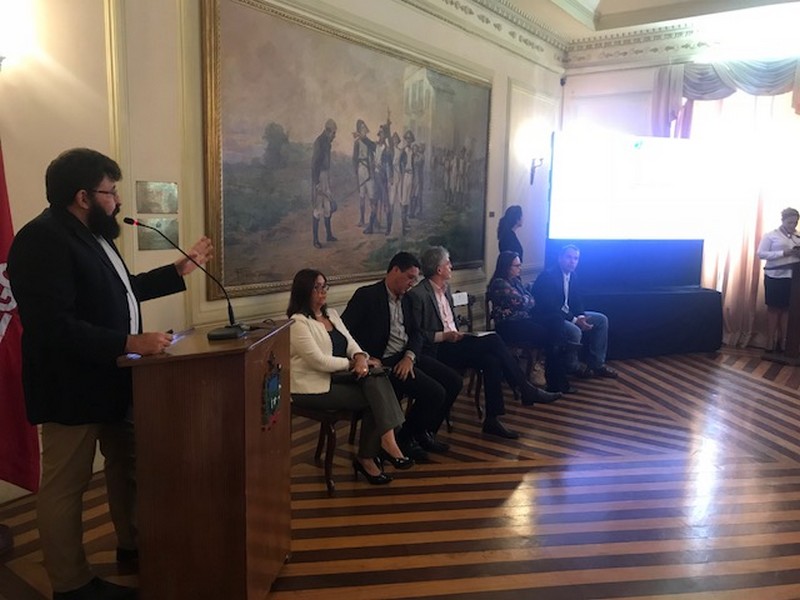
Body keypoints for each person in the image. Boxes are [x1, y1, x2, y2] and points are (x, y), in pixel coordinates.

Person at [7, 147, 214, 600]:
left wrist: (177, 270)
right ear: (83, 196)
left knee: (128, 466)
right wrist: (128, 342)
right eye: (111, 192)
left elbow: (123, 291)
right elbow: (51, 326)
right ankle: (71, 583)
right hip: (70, 388)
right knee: (67, 486)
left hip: (115, 379)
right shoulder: (41, 239)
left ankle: (133, 544)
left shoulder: (94, 235)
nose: (118, 201)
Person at [409, 246, 561, 440]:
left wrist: (456, 335)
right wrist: (443, 336)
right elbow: (417, 333)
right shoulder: (419, 294)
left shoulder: (445, 290)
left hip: (455, 342)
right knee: (494, 339)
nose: (451, 266)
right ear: (439, 269)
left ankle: (492, 420)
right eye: (448, 263)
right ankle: (525, 389)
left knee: (491, 361)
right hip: (437, 349)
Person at [287, 269, 412, 485]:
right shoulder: (298, 323)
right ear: (304, 291)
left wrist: (360, 356)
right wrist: (354, 363)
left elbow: (351, 342)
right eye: (317, 287)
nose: (323, 291)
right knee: (376, 395)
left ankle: (381, 446)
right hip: (311, 386)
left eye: (324, 286)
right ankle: (376, 451)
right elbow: (319, 361)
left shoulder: (331, 314)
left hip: (338, 377)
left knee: (376, 377)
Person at [342, 252, 462, 461]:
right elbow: (344, 332)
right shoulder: (367, 296)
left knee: (454, 381)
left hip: (406, 356)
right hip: (383, 362)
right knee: (434, 393)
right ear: (395, 270)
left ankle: (423, 432)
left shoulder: (407, 298)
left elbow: (417, 333)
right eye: (409, 277)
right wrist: (363, 356)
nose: (412, 283)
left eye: (415, 278)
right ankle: (404, 440)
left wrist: (409, 356)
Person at [487, 251, 572, 393]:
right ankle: (554, 375)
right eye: (516, 266)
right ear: (507, 266)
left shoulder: (515, 282)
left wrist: (526, 300)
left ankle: (555, 373)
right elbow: (523, 301)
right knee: (551, 337)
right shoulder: (499, 284)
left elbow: (530, 299)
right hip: (509, 325)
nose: (519, 269)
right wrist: (526, 301)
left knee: (556, 321)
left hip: (523, 320)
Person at [531, 244, 618, 379]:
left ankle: (597, 364)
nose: (572, 261)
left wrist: (581, 316)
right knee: (575, 330)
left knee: (601, 320)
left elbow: (577, 300)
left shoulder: (573, 275)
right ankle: (573, 366)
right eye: (569, 257)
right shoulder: (548, 276)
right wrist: (575, 320)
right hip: (551, 317)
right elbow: (551, 306)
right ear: (560, 258)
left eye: (576, 258)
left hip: (569, 314)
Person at [757, 207, 800, 353]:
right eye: (789, 222)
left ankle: (783, 342)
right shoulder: (771, 236)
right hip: (774, 276)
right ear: (782, 220)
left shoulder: (798, 236)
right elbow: (761, 254)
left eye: (795, 223)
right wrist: (783, 253)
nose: (792, 226)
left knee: (788, 309)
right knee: (774, 309)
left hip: (793, 279)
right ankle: (770, 341)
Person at [310, 118, 338, 249]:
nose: (334, 136)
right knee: (317, 209)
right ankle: (315, 240)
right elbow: (314, 164)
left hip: (325, 176)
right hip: (319, 177)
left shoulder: (327, 142)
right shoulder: (320, 142)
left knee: (328, 207)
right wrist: (316, 183)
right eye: (333, 133)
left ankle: (329, 235)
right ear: (327, 131)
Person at [352, 119, 377, 232]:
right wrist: (355, 172)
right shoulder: (357, 143)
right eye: (361, 128)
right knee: (361, 196)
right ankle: (362, 219)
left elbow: (374, 148)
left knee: (372, 196)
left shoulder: (368, 142)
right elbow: (354, 158)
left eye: (364, 128)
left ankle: (374, 219)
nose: (363, 130)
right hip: (360, 170)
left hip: (369, 170)